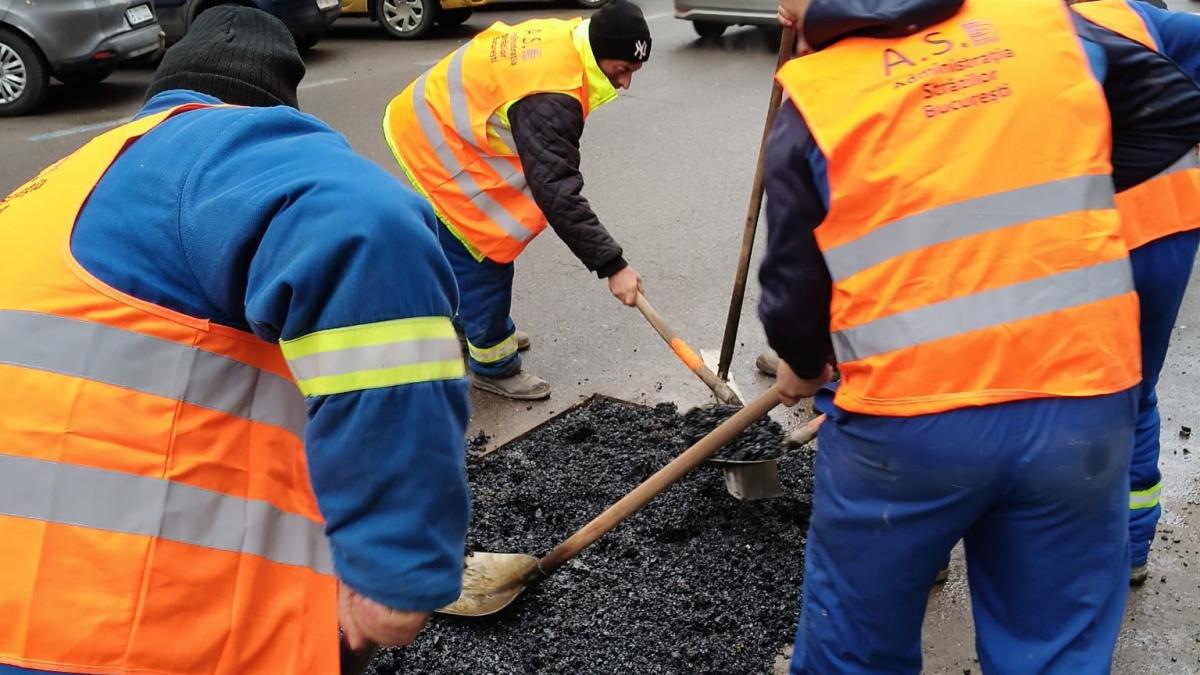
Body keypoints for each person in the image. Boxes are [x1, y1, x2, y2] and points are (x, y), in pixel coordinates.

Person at [0, 8, 470, 675]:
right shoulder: (217, 148)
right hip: (151, 639)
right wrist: (391, 577)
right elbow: (365, 229)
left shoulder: (54, 189)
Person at [759, 0, 1200, 671]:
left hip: (907, 429)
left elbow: (794, 288)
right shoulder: (1043, 25)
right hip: (1080, 406)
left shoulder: (818, 94)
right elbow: (1174, 109)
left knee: (853, 651)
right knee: (1054, 651)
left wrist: (803, 362)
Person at [383, 1, 652, 400]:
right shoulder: (551, 95)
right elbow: (557, 190)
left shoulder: (569, 41)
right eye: (623, 69)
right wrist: (613, 266)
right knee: (486, 248)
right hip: (436, 141)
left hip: (438, 120)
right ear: (601, 50)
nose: (626, 82)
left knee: (463, 248)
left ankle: (468, 326)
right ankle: (493, 364)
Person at [1070, 0, 1200, 586]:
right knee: (1134, 391)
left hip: (1085, 237)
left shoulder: (1008, 31)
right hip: (1168, 228)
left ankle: (926, 556)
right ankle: (1130, 547)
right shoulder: (1144, 19)